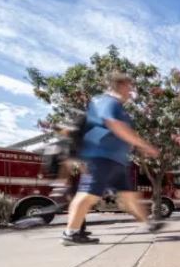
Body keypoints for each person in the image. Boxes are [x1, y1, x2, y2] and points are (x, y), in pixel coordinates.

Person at [62, 72, 161, 245]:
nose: (131, 92)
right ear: (121, 85)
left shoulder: (116, 105)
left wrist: (131, 146)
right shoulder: (108, 101)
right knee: (88, 195)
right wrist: (144, 145)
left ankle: (148, 224)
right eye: (129, 88)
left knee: (129, 196)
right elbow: (114, 124)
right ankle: (70, 233)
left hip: (117, 160)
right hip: (100, 157)